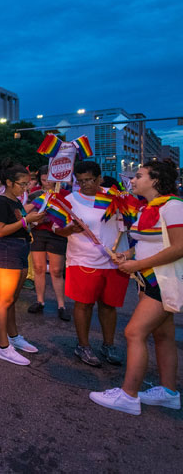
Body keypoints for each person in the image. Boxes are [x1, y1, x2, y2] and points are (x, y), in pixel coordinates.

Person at [90, 160, 183, 415]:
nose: (132, 180)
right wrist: (128, 255)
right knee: (162, 336)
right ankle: (169, 392)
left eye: (138, 176)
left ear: (155, 180)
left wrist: (137, 264)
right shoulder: (147, 208)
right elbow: (149, 241)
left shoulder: (173, 207)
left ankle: (129, 396)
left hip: (164, 280)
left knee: (133, 333)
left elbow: (179, 247)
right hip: (151, 279)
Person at [55, 161, 129, 367]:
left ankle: (108, 345)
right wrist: (70, 230)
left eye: (88, 180)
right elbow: (56, 228)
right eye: (79, 181)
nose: (84, 184)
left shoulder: (116, 196)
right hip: (83, 260)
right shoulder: (70, 200)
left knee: (108, 306)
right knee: (84, 304)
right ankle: (83, 346)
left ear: (99, 178)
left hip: (114, 260)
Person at [0, 159, 46, 365]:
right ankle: (2, 346)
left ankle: (13, 337)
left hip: (21, 249)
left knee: (12, 299)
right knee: (4, 300)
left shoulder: (16, 202)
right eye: (22, 184)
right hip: (7, 251)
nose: (26, 188)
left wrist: (31, 222)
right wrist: (26, 221)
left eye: (27, 184)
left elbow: (20, 225)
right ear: (10, 182)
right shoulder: (0, 202)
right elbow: (0, 231)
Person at [26, 165, 70, 321]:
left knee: (57, 270)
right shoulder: (36, 193)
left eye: (49, 180)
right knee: (38, 268)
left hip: (56, 234)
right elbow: (26, 210)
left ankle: (61, 305)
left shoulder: (64, 194)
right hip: (38, 232)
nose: (46, 183)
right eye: (43, 180)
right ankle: (40, 300)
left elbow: (69, 215)